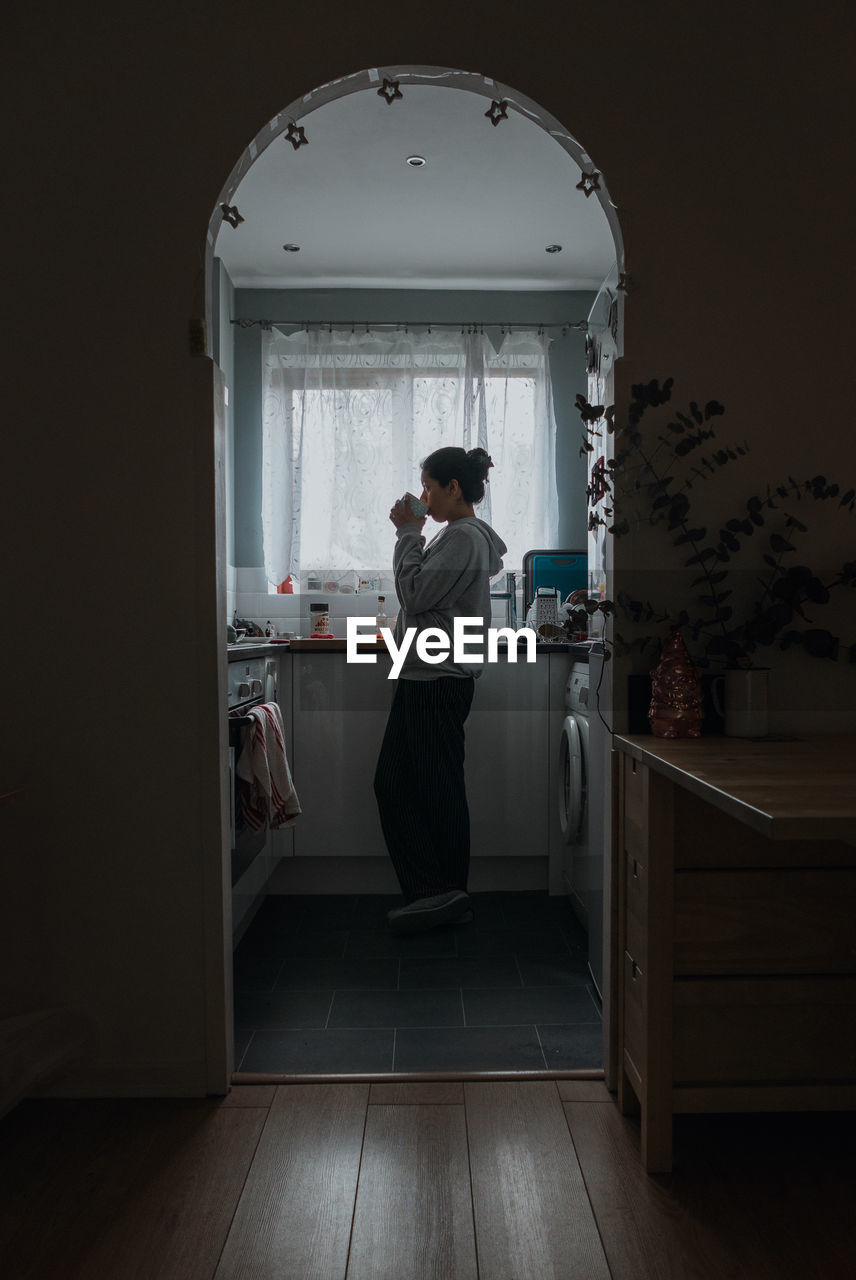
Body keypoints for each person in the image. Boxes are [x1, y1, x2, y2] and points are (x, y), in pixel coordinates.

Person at [373, 446, 507, 934]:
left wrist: (408, 531)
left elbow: (414, 594)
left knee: (431, 790)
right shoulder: (455, 537)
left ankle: (443, 894)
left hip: (437, 682)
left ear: (454, 489)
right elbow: (423, 601)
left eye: (429, 486)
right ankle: (438, 893)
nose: (424, 496)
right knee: (411, 787)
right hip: (429, 680)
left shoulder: (464, 538)